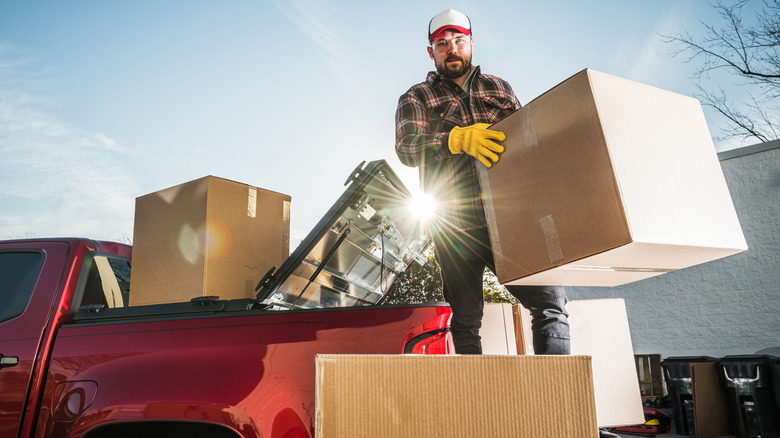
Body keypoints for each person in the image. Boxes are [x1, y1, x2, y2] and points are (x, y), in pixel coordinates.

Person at [394, 9, 570, 355]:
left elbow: (527, 143)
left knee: (550, 303)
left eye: (459, 41)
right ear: (431, 52)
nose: (452, 48)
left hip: (508, 213)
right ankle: (475, 401)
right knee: (466, 316)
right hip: (453, 221)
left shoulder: (499, 88)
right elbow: (406, 148)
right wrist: (454, 139)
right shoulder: (416, 97)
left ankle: (558, 400)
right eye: (442, 43)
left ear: (471, 43)